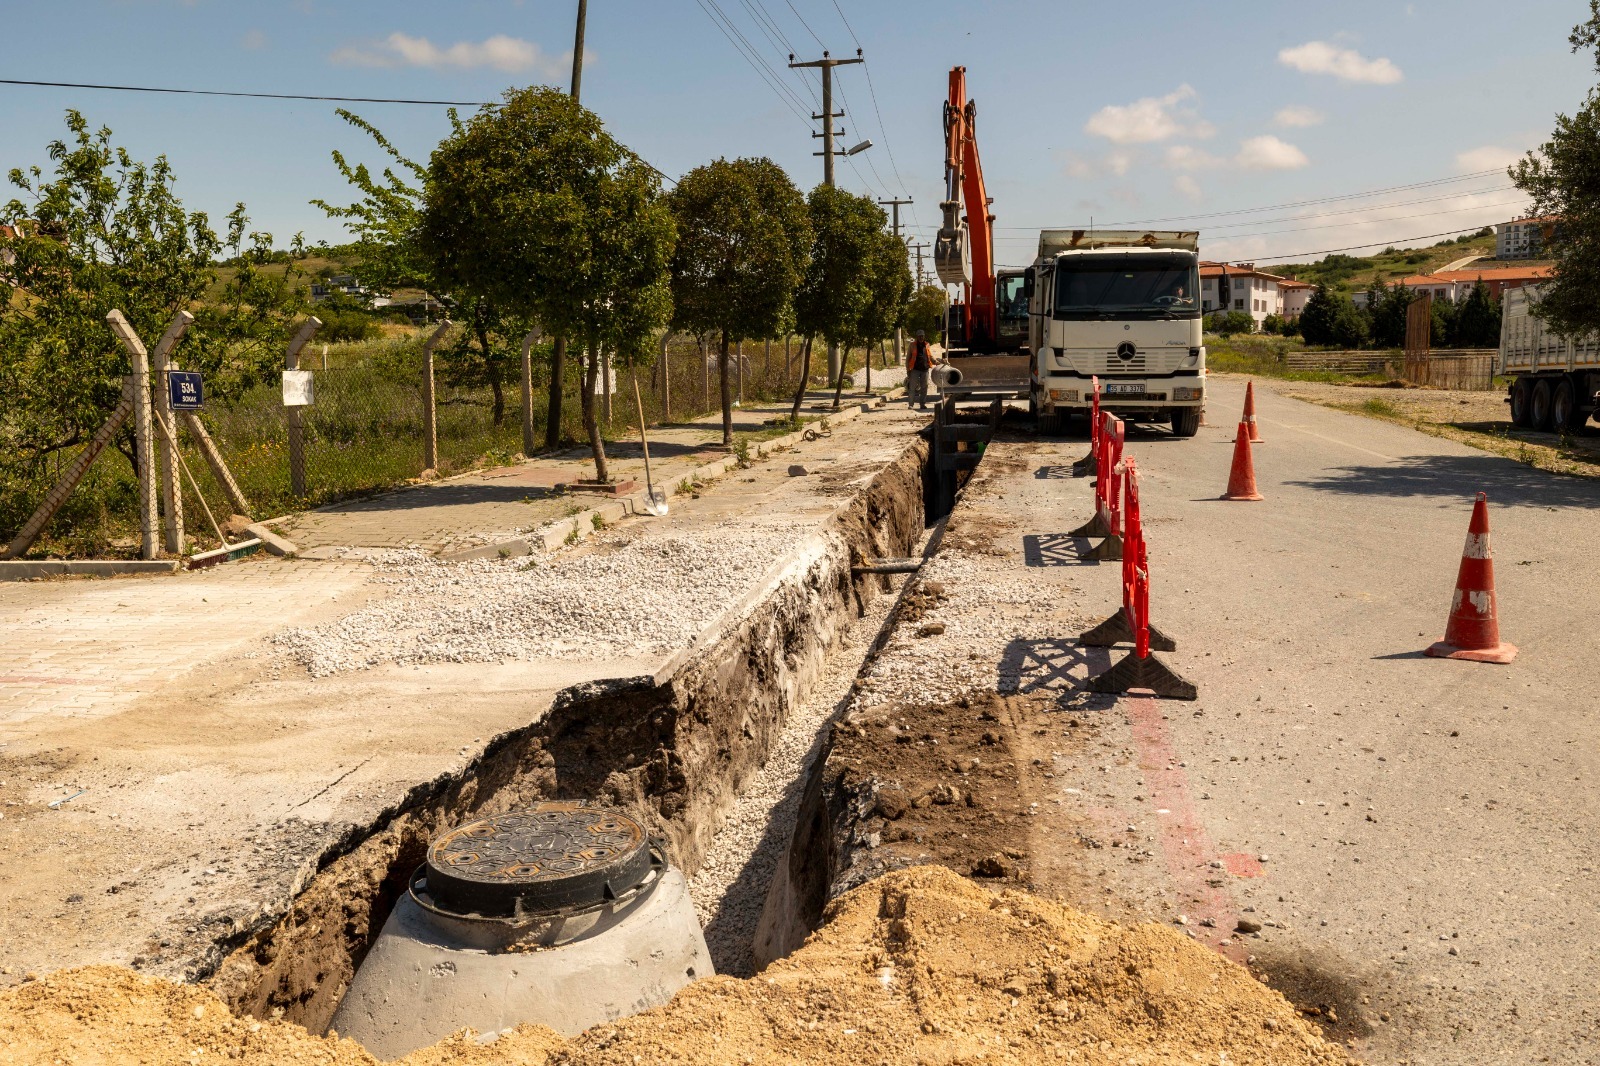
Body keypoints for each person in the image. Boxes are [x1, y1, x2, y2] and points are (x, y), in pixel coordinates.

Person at [906, 330, 934, 410]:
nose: (921, 337)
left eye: (922, 336)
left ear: (924, 336)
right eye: (919, 336)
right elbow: (908, 359)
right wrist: (908, 370)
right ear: (917, 337)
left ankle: (922, 404)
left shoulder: (927, 344)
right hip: (915, 369)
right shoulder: (912, 345)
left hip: (925, 369)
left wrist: (935, 361)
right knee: (912, 387)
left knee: (924, 387)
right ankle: (911, 404)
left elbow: (930, 356)